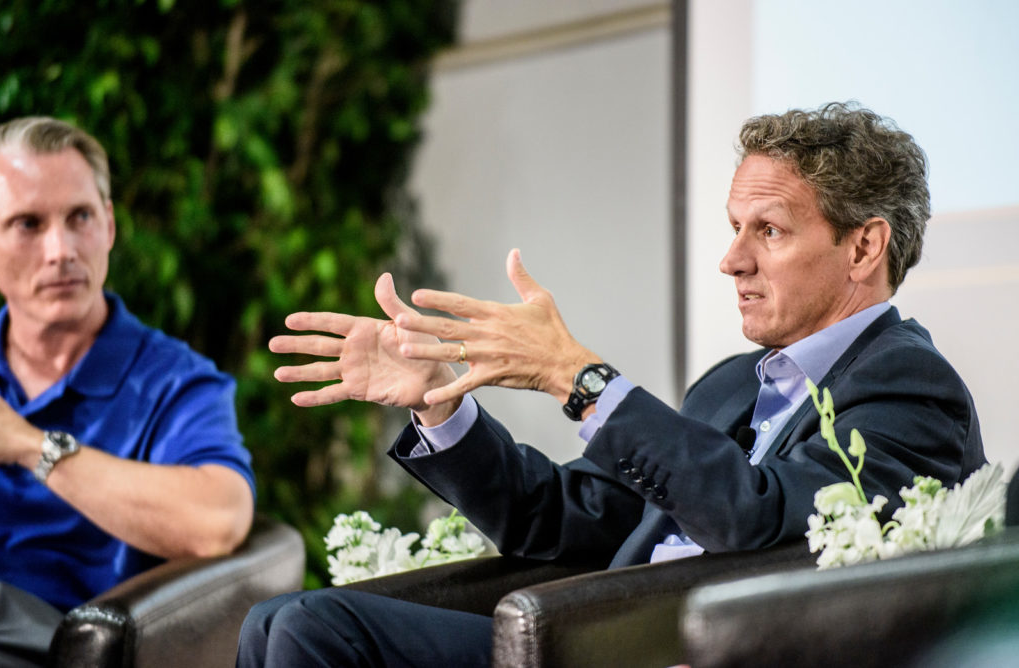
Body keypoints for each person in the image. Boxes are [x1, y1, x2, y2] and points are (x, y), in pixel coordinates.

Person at [238, 102, 985, 666]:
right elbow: (563, 516)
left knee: (313, 629)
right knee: (270, 620)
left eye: (769, 230)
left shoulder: (910, 388)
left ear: (864, 245)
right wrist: (443, 403)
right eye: (733, 227)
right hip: (590, 631)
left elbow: (760, 522)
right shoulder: (730, 386)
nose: (731, 260)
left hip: (680, 649)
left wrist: (579, 377)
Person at [0, 116, 256, 667]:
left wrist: (27, 444)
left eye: (80, 217)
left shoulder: (174, 381)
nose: (59, 249)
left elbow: (218, 521)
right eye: (27, 223)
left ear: (109, 226)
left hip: (59, 643)